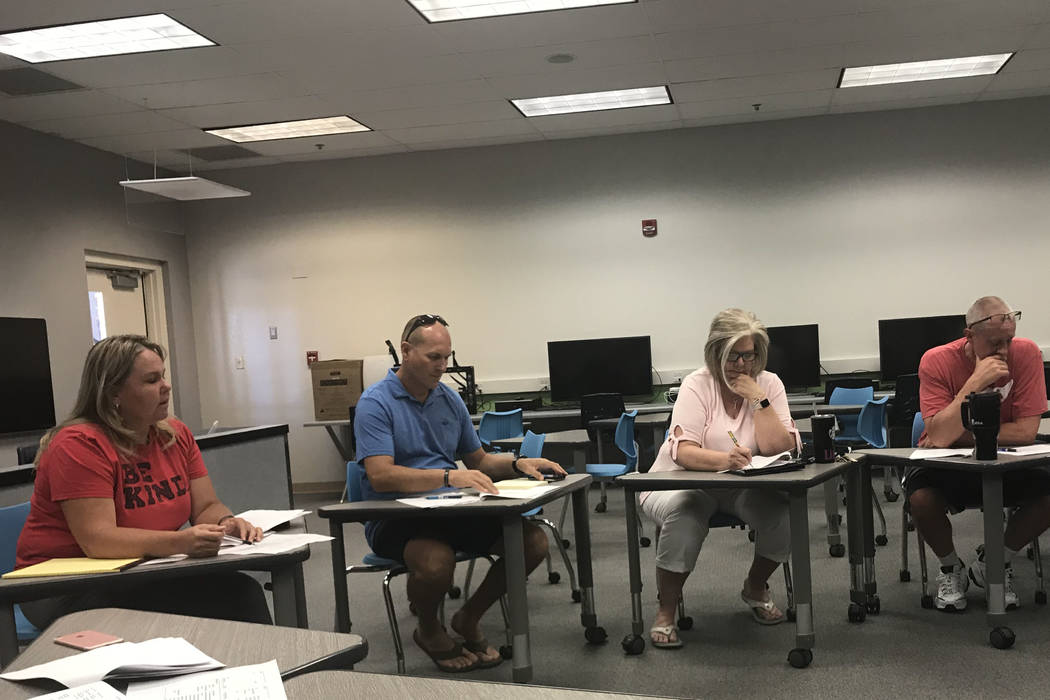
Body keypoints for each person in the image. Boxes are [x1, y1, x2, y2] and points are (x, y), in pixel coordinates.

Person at [355, 314, 565, 673]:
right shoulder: (376, 403)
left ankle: (468, 617)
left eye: (447, 357)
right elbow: (380, 476)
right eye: (433, 357)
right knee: (437, 563)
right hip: (394, 515)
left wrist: (518, 464)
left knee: (532, 544)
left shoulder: (448, 399)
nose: (442, 366)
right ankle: (429, 629)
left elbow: (479, 460)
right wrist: (449, 476)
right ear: (406, 351)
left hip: (450, 508)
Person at [16, 335, 272, 628]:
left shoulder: (173, 435)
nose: (166, 386)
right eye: (151, 380)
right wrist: (181, 542)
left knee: (241, 593)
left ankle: (260, 673)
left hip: (142, 571)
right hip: (64, 586)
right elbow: (99, 540)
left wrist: (226, 521)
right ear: (114, 392)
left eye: (162, 376)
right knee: (176, 613)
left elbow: (206, 505)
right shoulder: (79, 445)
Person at [640, 309, 799, 649]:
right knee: (686, 514)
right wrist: (725, 459)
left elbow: (778, 448)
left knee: (781, 515)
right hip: (678, 481)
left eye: (749, 355)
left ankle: (755, 587)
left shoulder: (768, 384)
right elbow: (683, 453)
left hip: (741, 483)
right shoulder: (697, 384)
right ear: (716, 353)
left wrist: (758, 398)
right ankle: (666, 612)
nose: (743, 365)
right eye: (734, 356)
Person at [911, 296, 1050, 611]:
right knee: (921, 500)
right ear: (969, 336)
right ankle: (951, 568)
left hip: (1006, 459)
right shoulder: (935, 361)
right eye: (994, 343)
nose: (1003, 351)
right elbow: (937, 436)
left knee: (1047, 496)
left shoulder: (1026, 354)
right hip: (949, 465)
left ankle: (994, 563)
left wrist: (957, 435)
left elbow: (1026, 432)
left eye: (1008, 341)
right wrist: (972, 384)